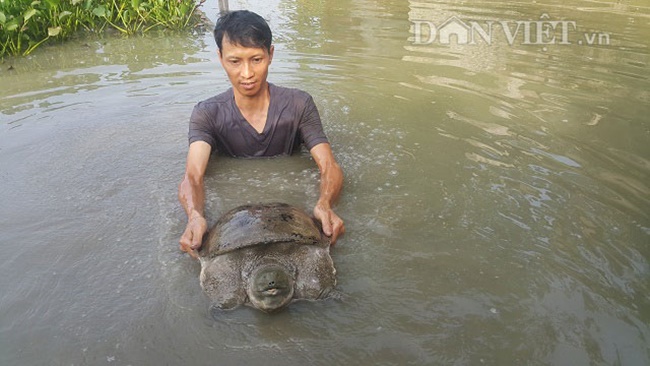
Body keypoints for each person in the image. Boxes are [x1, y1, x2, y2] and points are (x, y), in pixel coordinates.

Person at [178, 10, 345, 258]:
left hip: (289, 215)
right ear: (220, 58)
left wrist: (324, 205)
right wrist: (195, 216)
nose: (247, 73)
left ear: (271, 55)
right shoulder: (207, 114)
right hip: (237, 226)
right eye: (235, 61)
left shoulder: (299, 105)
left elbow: (328, 165)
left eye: (256, 59)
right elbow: (193, 175)